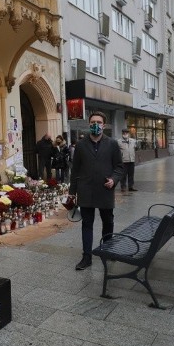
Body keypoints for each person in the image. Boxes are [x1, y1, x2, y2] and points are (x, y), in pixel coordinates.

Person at [68, 111, 124, 270]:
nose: (95, 125)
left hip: (105, 190)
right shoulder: (80, 145)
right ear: (89, 124)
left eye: (99, 122)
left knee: (108, 222)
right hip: (85, 191)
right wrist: (72, 192)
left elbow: (119, 167)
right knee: (87, 224)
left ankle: (107, 251)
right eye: (93, 122)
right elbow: (75, 170)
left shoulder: (112, 144)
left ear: (104, 125)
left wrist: (113, 179)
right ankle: (87, 257)